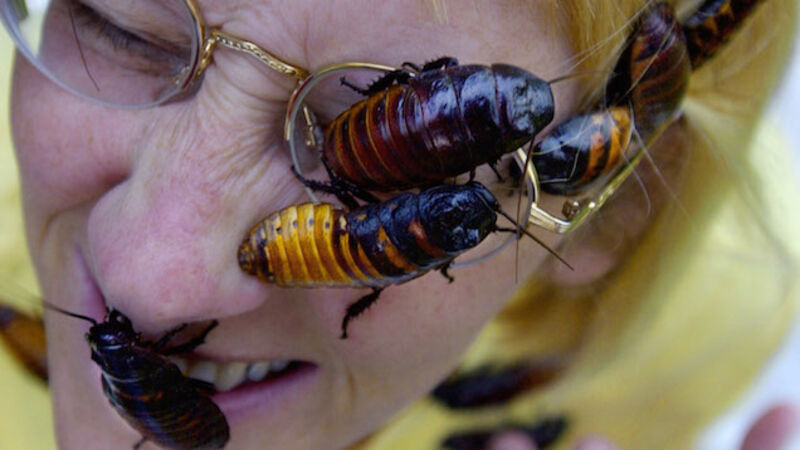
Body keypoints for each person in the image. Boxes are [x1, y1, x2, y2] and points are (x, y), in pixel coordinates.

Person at [0, 0, 798, 448]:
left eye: (420, 172)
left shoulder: (702, 336)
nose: (151, 277)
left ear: (612, 214)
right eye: (117, 25)